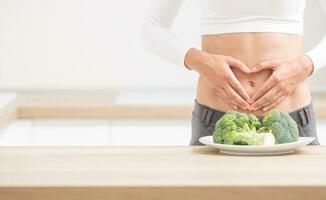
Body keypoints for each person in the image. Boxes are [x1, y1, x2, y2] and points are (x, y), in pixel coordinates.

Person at [141, 0, 326, 145]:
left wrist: (306, 65)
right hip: (216, 119)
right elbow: (152, 28)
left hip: (292, 119)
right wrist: (200, 61)